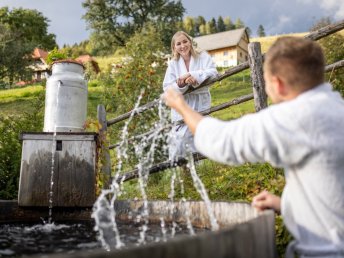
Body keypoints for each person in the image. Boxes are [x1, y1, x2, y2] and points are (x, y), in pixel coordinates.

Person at [162, 36, 344, 258]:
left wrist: (181, 107)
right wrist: (285, 204)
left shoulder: (294, 118)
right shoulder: (336, 106)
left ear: (276, 84)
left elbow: (223, 141)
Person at [163, 31, 218, 160]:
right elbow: (167, 88)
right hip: (183, 106)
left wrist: (194, 75)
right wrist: (181, 85)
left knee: (199, 136)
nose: (183, 46)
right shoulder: (173, 64)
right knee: (179, 140)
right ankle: (181, 170)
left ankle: (201, 169)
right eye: (178, 44)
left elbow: (214, 73)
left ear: (190, 42)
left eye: (185, 41)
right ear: (174, 48)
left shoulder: (203, 57)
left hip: (200, 103)